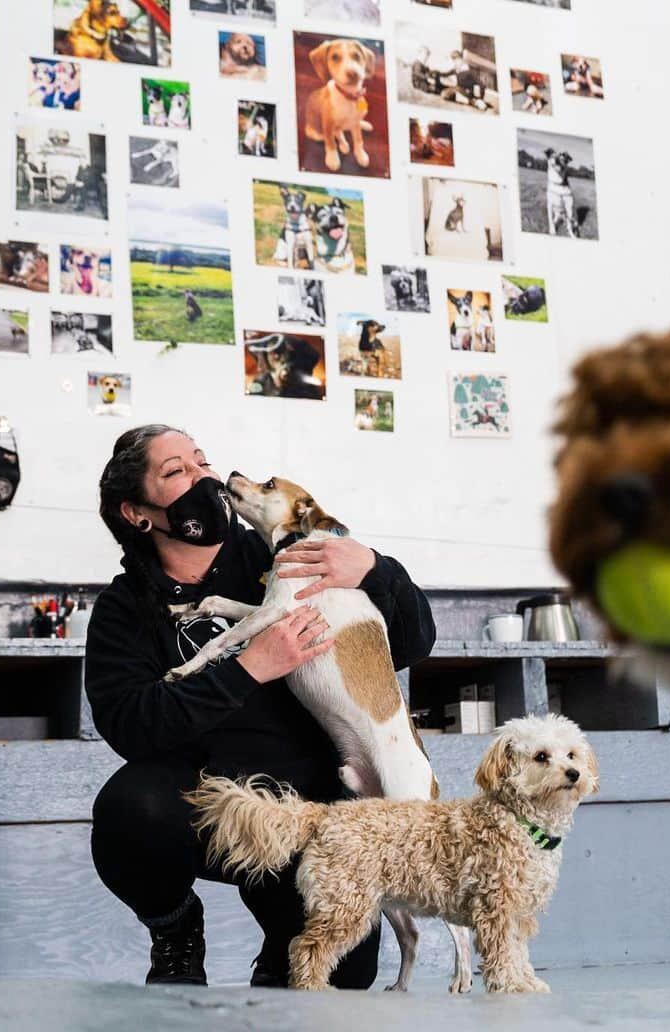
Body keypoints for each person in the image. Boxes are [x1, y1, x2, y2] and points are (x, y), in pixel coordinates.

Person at [87, 424, 436, 989]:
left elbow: (415, 643)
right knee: (131, 811)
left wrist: (374, 568)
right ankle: (175, 930)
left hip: (309, 805)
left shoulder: (287, 555)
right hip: (214, 803)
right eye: (176, 472)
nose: (205, 478)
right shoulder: (124, 608)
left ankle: (283, 945)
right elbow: (130, 726)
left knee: (345, 973)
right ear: (137, 512)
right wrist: (249, 667)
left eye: (202, 462)